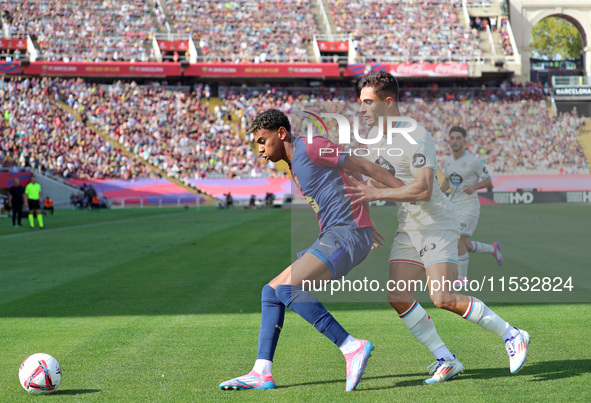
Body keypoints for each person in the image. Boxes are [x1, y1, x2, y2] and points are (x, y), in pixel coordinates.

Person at [345, 72, 530, 383]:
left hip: (436, 222)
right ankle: (445, 359)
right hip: (409, 226)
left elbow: (423, 190)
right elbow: (378, 179)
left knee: (443, 297)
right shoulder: (377, 139)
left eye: (367, 102)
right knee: (398, 295)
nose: (361, 108)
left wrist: (376, 193)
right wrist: (358, 197)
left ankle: (513, 335)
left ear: (388, 102)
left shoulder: (416, 134)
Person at [218, 108, 404, 392]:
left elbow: (362, 167)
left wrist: (406, 192)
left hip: (347, 234)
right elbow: (348, 181)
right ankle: (261, 372)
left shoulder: (312, 146)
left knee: (287, 289)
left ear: (281, 133)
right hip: (338, 234)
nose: (259, 149)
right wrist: (365, 217)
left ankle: (351, 346)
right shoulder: (294, 165)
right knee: (271, 291)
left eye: (262, 140)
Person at [440, 126, 503, 284]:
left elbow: (488, 180)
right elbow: (447, 181)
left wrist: (474, 187)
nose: (455, 141)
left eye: (458, 138)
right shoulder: (447, 162)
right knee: (464, 244)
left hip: (469, 206)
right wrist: (438, 195)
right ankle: (493, 249)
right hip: (453, 206)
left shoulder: (473, 161)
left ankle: (462, 278)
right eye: (452, 138)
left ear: (464, 141)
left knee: (458, 241)